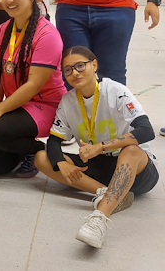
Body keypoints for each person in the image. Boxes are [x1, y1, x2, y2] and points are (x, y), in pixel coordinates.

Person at [35, 46, 159, 248]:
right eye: (68, 70)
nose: (74, 73)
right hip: (100, 166)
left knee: (131, 150)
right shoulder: (68, 100)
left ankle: (99, 219)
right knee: (42, 158)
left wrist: (101, 147)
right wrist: (61, 164)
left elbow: (146, 130)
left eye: (80, 66)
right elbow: (54, 141)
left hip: (136, 170)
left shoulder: (115, 91)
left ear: (94, 65)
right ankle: (105, 193)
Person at [0, 0, 67, 178]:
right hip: (18, 104)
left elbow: (34, 85)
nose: (9, 0)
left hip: (47, 105)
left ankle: (38, 150)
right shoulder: (1, 31)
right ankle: (21, 148)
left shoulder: (47, 35)